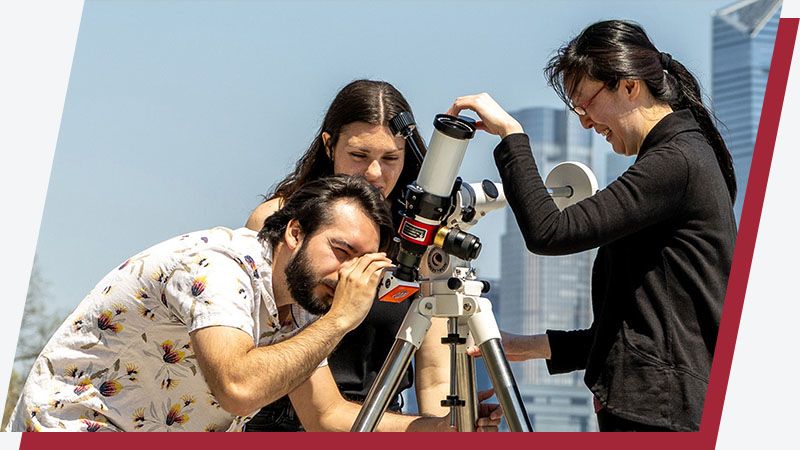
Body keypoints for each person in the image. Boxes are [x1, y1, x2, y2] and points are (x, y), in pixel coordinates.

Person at [8, 175, 497, 432]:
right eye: (341, 251)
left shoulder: (302, 306)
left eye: (362, 260)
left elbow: (327, 418)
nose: (349, 273)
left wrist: (441, 427)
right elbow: (239, 388)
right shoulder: (219, 267)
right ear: (294, 231)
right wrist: (344, 319)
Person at [453, 20, 737, 431]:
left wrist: (511, 136)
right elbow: (639, 337)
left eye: (585, 104)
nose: (585, 122)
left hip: (665, 415)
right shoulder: (680, 157)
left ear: (629, 86)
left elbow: (550, 231)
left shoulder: (676, 162)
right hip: (665, 411)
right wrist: (527, 346)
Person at [243, 80, 454, 431]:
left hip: (388, 423)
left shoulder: (424, 236)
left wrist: (451, 423)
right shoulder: (282, 221)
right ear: (330, 145)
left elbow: (434, 375)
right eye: (358, 156)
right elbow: (320, 412)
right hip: (286, 423)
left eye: (390, 159)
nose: (374, 173)